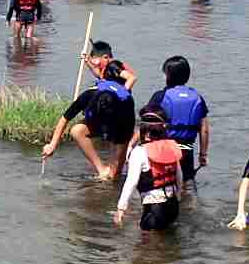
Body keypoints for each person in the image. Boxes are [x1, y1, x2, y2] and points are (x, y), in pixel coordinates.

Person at [43, 61, 135, 180]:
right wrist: (52, 145)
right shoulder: (88, 95)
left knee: (114, 176)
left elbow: (125, 134)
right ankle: (100, 169)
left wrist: (119, 157)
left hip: (120, 125)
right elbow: (64, 118)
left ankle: (111, 176)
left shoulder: (125, 104)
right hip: (98, 123)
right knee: (76, 130)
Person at [143, 55, 209, 188]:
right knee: (186, 184)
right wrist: (203, 154)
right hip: (186, 150)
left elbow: (147, 121)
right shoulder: (197, 98)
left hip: (164, 149)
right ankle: (188, 206)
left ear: (168, 76)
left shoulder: (160, 96)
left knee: (162, 183)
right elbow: (204, 129)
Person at [113, 110, 184, 233]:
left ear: (144, 132)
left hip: (154, 208)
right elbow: (179, 176)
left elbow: (131, 182)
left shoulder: (139, 152)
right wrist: (178, 197)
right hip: (173, 206)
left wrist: (121, 208)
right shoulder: (171, 146)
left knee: (147, 248)